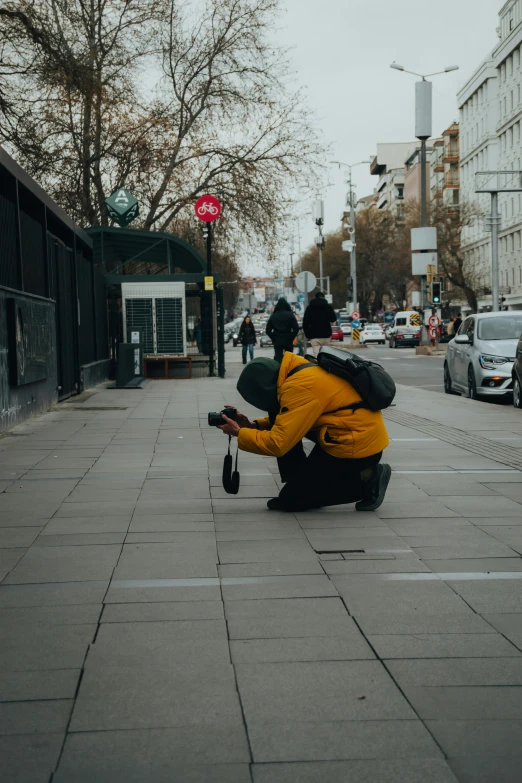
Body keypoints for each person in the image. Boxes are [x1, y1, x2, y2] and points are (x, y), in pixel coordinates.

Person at [218, 353, 391, 513]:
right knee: (296, 490)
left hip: (357, 445)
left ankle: (369, 478)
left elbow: (278, 444)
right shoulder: (297, 372)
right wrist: (252, 425)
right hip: (346, 434)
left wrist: (240, 433)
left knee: (291, 500)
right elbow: (291, 418)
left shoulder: (300, 387)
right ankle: (301, 484)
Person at [303, 291, 337, 356]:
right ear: (324, 298)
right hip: (326, 335)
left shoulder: (309, 308)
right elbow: (333, 319)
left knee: (317, 356)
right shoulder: (328, 307)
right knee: (327, 355)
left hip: (314, 336)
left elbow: (305, 323)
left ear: (314, 298)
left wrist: (308, 335)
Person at [265, 298, 299, 363]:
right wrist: (291, 337)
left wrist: (273, 337)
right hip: (288, 338)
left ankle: (278, 371)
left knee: (278, 358)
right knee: (289, 358)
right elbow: (296, 328)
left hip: (277, 339)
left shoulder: (273, 315)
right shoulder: (290, 315)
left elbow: (268, 330)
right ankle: (288, 371)